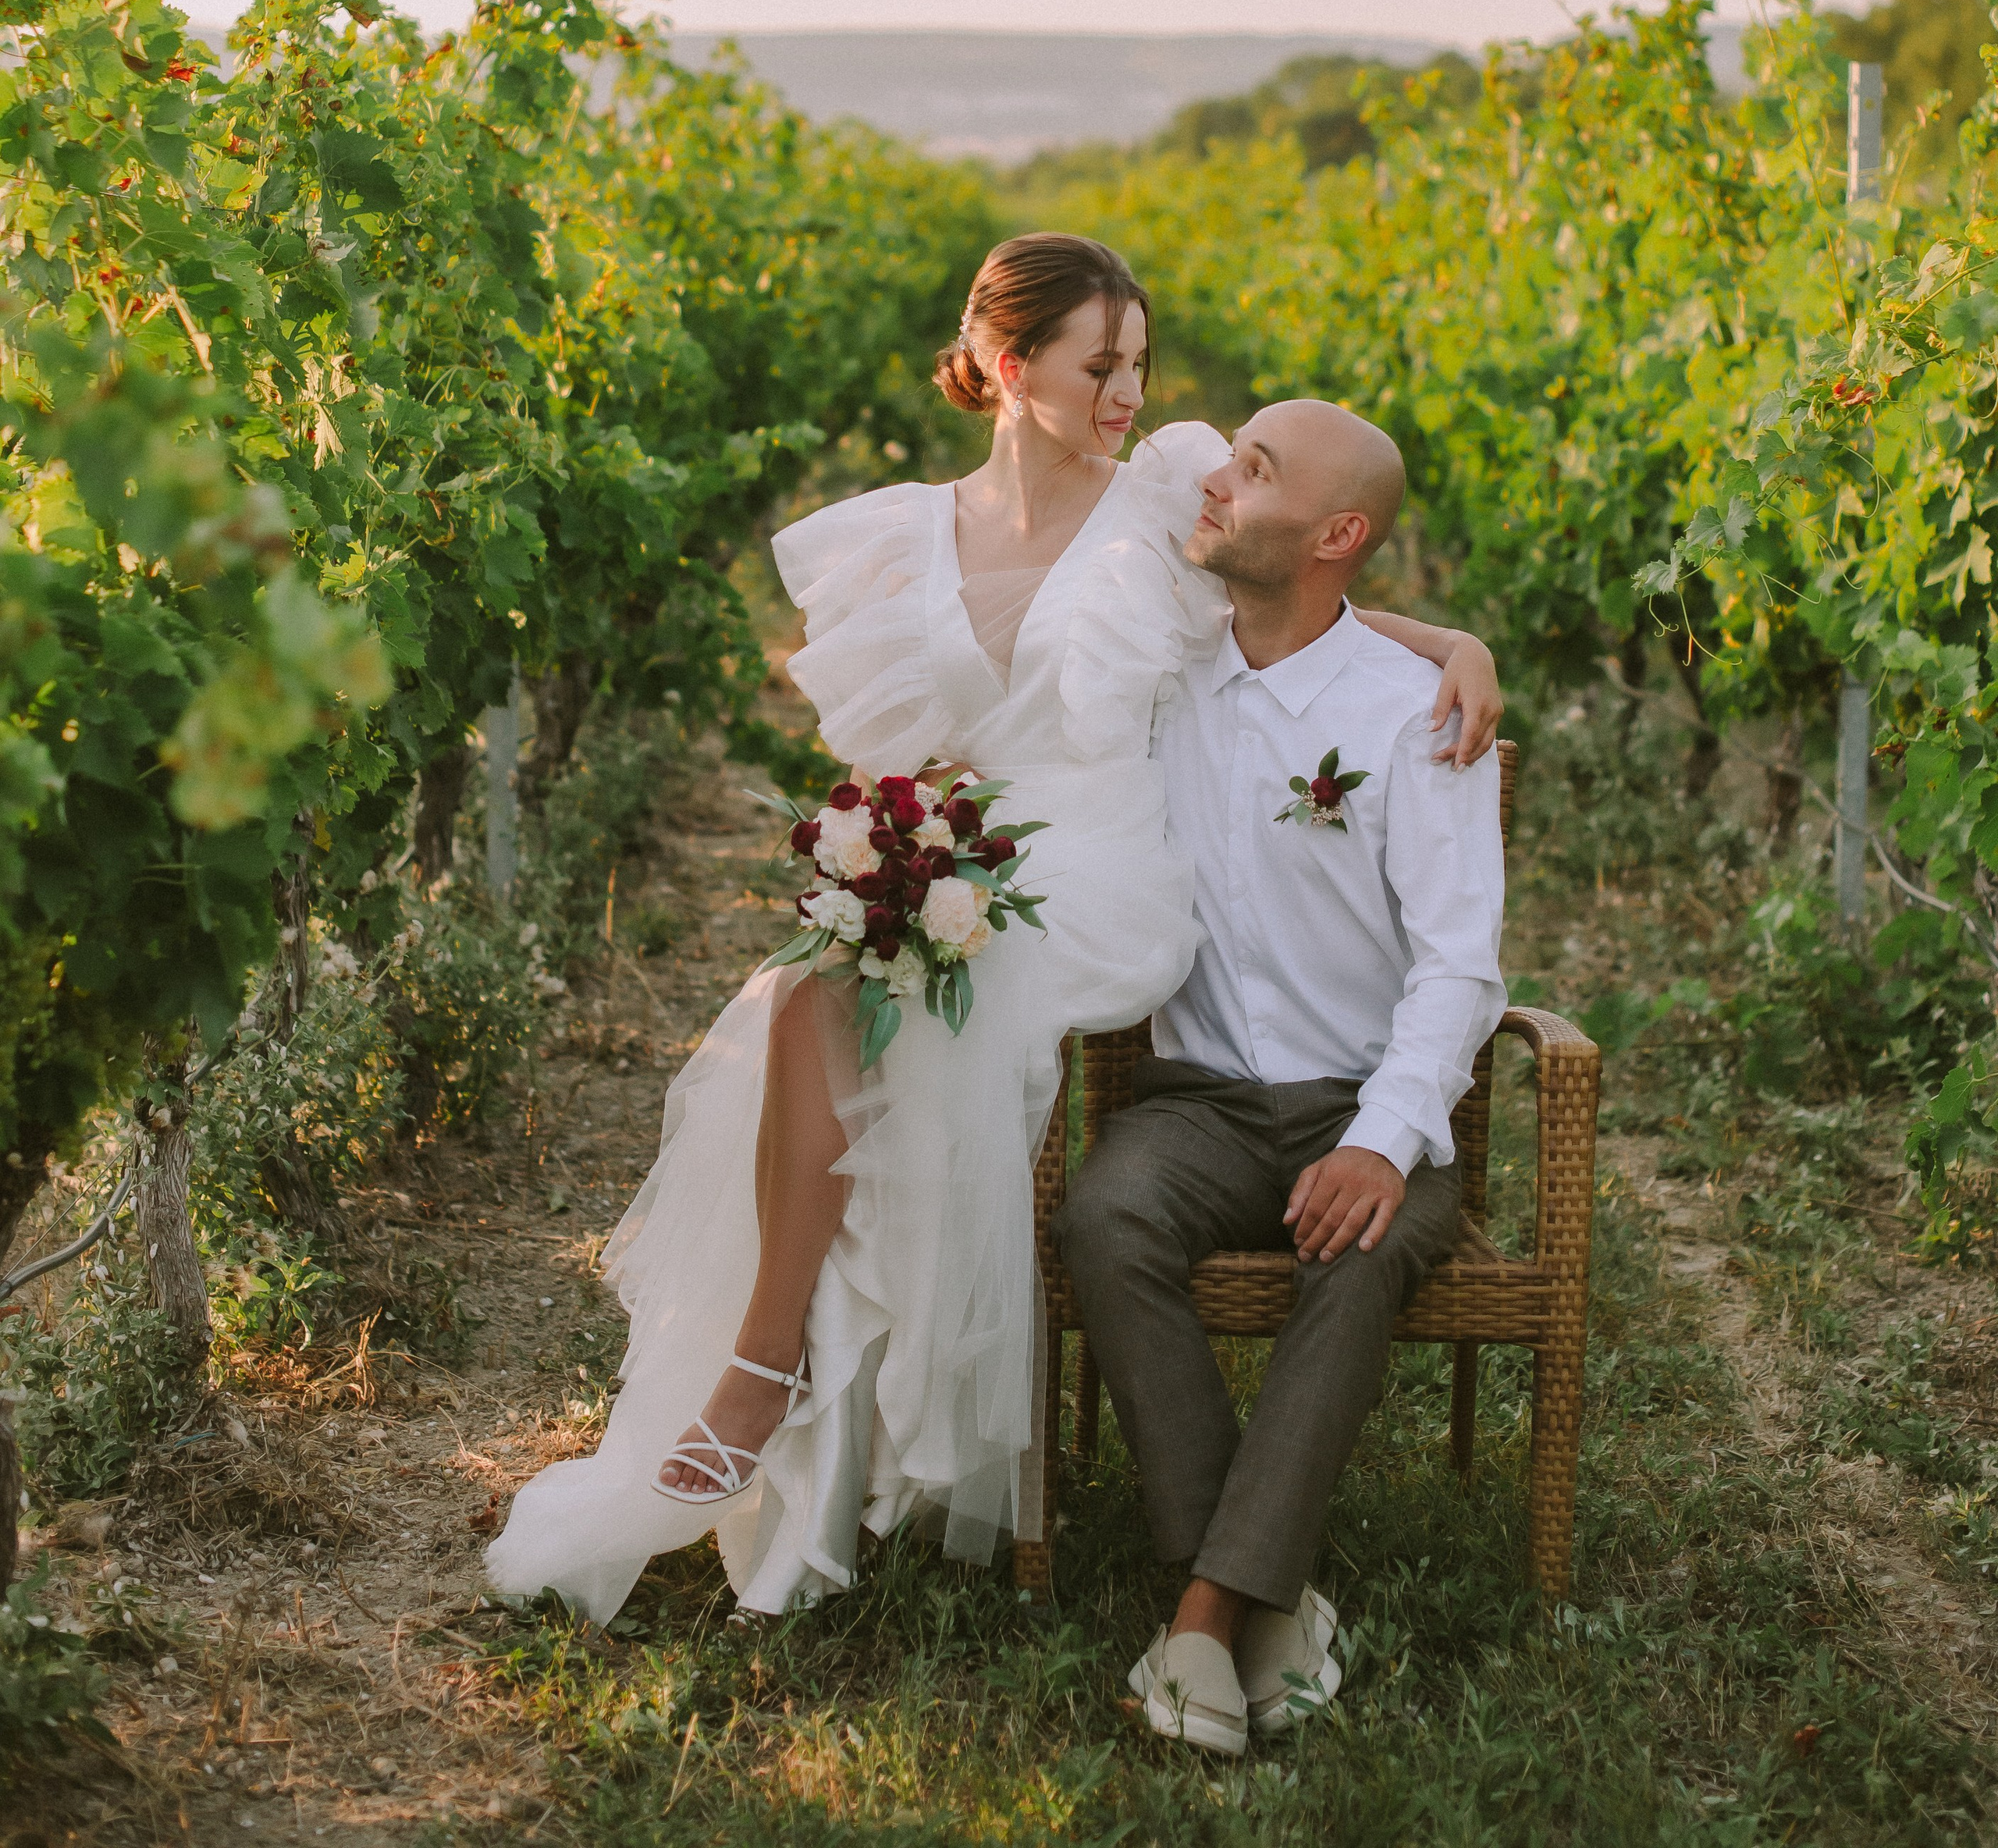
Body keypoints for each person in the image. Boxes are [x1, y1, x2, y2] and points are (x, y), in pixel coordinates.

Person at [485, 237, 1502, 1624]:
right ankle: (767, 1366)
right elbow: (935, 745)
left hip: (1106, 868)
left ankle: (823, 1394)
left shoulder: (1164, 495)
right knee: (806, 997)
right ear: (1013, 367)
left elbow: (1300, 593)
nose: (1135, 392)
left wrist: (1456, 647)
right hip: (982, 849)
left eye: (1141, 359)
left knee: (914, 994)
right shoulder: (904, 533)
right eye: (1104, 364)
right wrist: (907, 845)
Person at [1054, 398, 1506, 1759]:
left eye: (1255, 469)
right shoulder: (1164, 671)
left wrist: (1380, 1141)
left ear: (1337, 533)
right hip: (1197, 1102)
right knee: (1104, 1214)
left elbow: (1461, 965)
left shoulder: (1406, 714)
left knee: (1360, 1248)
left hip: (1367, 1102)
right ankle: (1268, 1607)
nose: (1217, 477)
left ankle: (1202, 1611)